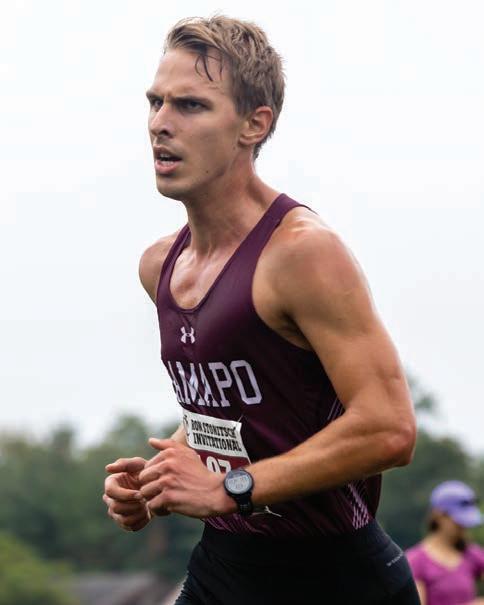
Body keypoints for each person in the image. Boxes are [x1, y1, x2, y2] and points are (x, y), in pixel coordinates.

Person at [102, 15, 420, 604]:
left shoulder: (303, 254)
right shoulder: (160, 266)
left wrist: (230, 488)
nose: (160, 123)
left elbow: (389, 428)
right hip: (225, 568)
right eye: (155, 102)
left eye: (191, 105)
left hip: (336, 579)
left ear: (255, 124)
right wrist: (161, 479)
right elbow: (236, 411)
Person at [407, 481, 484, 605]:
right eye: (459, 522)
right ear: (439, 515)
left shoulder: (472, 554)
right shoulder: (416, 561)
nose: (464, 527)